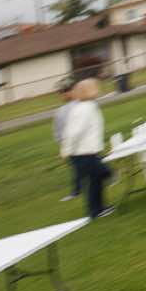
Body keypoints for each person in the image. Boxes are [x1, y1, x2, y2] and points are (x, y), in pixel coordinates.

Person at [58, 79, 115, 220]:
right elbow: (74, 132)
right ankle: (95, 211)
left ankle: (99, 209)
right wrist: (66, 150)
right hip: (83, 153)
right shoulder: (85, 108)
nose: (98, 89)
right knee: (104, 173)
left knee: (96, 180)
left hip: (89, 151)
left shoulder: (88, 106)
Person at [54, 82, 83, 201]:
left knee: (91, 162)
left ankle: (76, 192)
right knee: (76, 168)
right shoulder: (59, 111)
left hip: (83, 141)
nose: (64, 95)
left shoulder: (81, 105)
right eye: (62, 93)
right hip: (70, 144)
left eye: (66, 91)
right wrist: (63, 147)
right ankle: (76, 191)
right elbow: (59, 131)